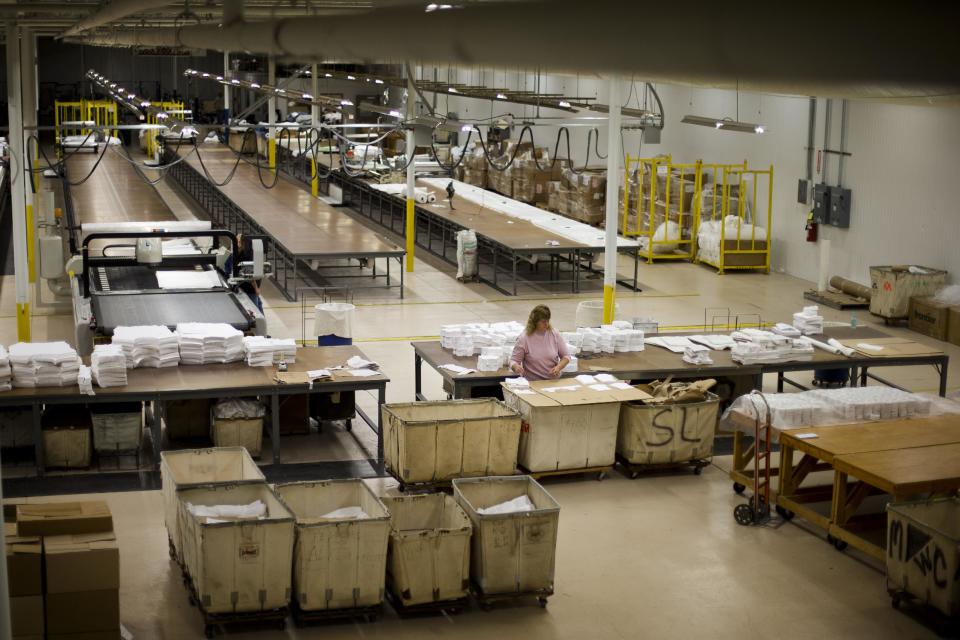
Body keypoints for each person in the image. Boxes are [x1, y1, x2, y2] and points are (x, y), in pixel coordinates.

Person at [509, 305, 570, 380]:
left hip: (552, 381)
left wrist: (558, 367)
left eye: (548, 321)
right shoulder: (524, 338)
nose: (547, 324)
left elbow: (566, 356)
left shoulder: (554, 334)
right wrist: (516, 367)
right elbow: (513, 360)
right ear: (535, 322)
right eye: (543, 322)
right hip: (533, 382)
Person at [232, 234, 264, 314]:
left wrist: (256, 288)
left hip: (249, 287)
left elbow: (250, 274)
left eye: (238, 241)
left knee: (255, 308)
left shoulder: (246, 255)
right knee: (258, 304)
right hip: (246, 285)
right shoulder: (240, 253)